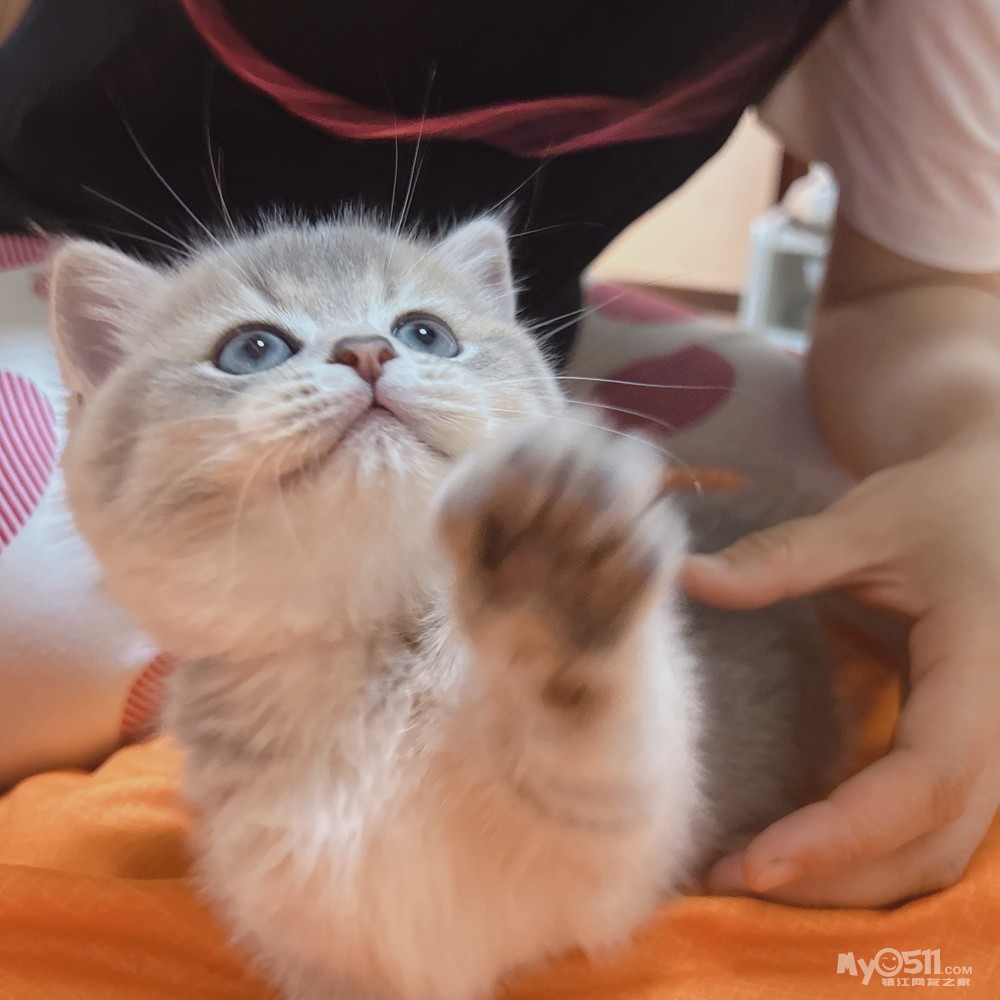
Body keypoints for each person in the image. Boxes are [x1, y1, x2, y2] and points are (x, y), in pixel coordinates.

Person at [0, 0, 997, 910]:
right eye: (261, 350)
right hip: (53, 262)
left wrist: (973, 459)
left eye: (409, 340)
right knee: (34, 607)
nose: (366, 358)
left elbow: (912, 293)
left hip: (520, 329)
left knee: (837, 503)